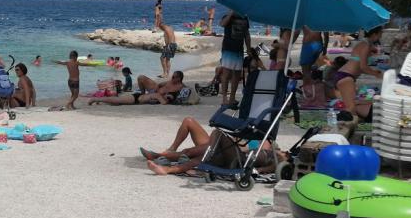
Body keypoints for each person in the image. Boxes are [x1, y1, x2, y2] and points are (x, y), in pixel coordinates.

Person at [139, 116, 278, 177]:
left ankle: (163, 160)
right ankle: (169, 153)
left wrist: (257, 170)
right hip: (222, 146)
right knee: (189, 121)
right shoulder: (250, 127)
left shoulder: (267, 143)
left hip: (230, 153)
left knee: (195, 152)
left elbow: (269, 162)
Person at [331, 27, 383, 120]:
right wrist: (376, 74)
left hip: (344, 76)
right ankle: (343, 129)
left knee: (351, 106)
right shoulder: (365, 45)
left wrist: (375, 72)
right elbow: (363, 66)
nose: (381, 35)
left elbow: (360, 67)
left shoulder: (365, 44)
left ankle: (346, 125)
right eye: (380, 33)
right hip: (346, 77)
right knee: (351, 108)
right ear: (375, 34)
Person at [88, 71, 186, 105]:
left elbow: (168, 99)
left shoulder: (180, 87)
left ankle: (97, 99)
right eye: (172, 76)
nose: (172, 78)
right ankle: (98, 99)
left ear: (179, 78)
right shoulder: (169, 82)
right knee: (140, 77)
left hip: (142, 98)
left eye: (174, 77)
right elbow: (160, 86)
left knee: (118, 101)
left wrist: (165, 97)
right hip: (146, 95)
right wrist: (157, 88)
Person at [218, 9, 251, 106]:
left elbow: (247, 35)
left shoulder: (245, 18)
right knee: (226, 74)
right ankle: (224, 98)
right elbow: (222, 24)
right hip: (228, 48)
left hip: (239, 50)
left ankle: (232, 98)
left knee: (236, 75)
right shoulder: (228, 17)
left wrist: (248, 49)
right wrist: (231, 13)